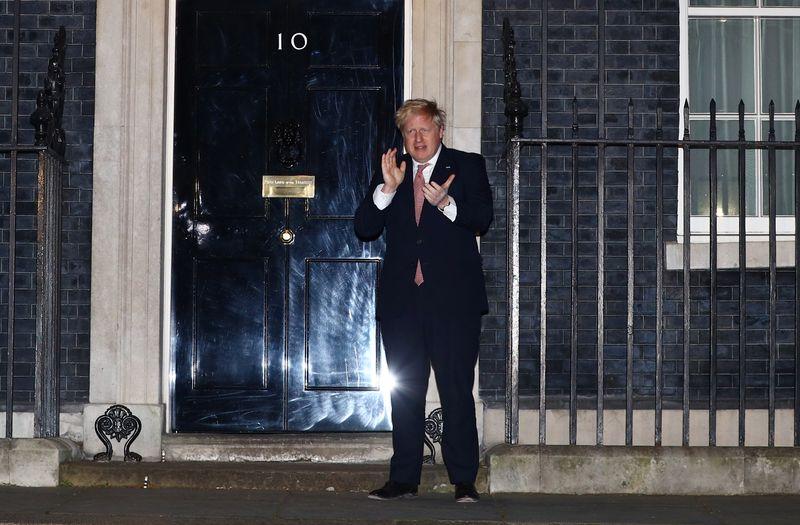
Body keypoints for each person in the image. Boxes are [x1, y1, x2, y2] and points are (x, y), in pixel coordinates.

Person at [354, 99, 493, 503]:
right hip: (402, 304)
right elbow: (364, 227)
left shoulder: (466, 166)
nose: (416, 139)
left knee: (455, 390)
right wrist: (387, 190)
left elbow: (482, 218)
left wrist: (445, 204)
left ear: (440, 131)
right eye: (409, 132)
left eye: (424, 130)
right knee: (405, 393)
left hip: (453, 302)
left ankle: (464, 480)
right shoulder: (392, 170)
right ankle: (403, 479)